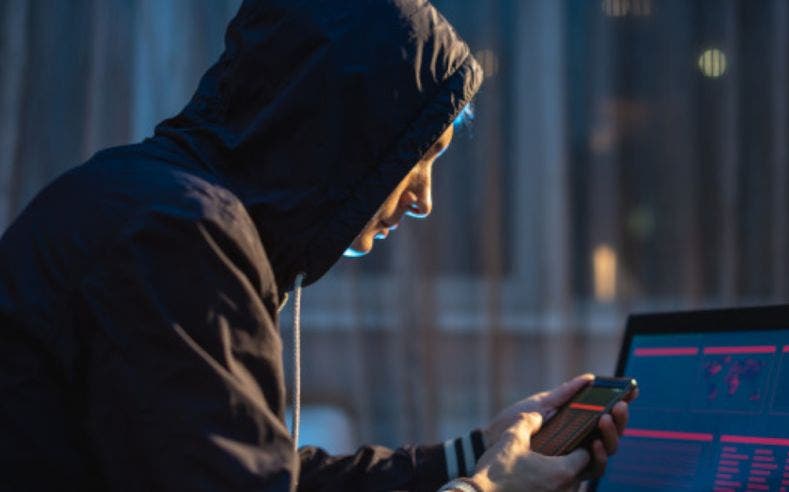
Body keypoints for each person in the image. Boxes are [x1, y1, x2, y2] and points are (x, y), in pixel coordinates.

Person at [0, 1, 635, 490]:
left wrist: (474, 453)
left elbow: (254, 471)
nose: (424, 200)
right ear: (344, 131)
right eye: (420, 156)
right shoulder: (177, 235)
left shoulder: (145, 199)